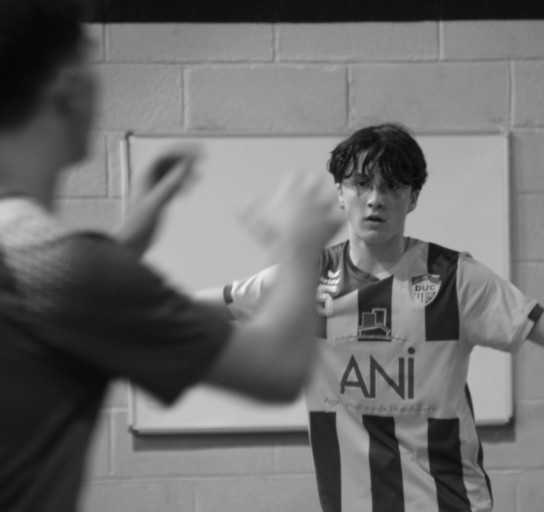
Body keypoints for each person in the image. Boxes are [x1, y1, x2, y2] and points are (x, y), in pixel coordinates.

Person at [198, 122, 544, 512]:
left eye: (392, 186)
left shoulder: (455, 279)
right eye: (362, 184)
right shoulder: (305, 278)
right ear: (341, 193)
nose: (376, 198)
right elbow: (200, 306)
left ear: (413, 198)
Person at [0, 1, 342, 510]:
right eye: (91, 62)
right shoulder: (71, 274)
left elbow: (51, 305)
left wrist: (133, 231)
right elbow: (277, 368)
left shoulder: (48, 269)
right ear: (68, 90)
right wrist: (300, 244)